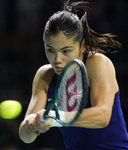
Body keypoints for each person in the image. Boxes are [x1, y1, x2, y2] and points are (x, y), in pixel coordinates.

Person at [19, 0, 128, 149]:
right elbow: (26, 138)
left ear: (82, 46)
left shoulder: (98, 63)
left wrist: (56, 118)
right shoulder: (44, 75)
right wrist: (29, 126)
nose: (57, 60)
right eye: (51, 50)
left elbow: (102, 116)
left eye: (66, 51)